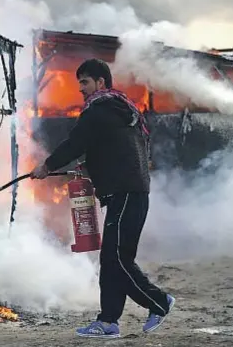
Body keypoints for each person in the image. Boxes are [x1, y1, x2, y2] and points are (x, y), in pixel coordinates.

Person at [30, 58, 175, 338]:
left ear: (100, 82)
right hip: (130, 193)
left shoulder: (99, 110)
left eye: (85, 82)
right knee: (112, 260)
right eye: (80, 83)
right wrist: (91, 166)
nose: (81, 88)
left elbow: (75, 143)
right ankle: (108, 322)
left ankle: (158, 302)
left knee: (117, 259)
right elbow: (112, 148)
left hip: (125, 194)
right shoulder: (121, 108)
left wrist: (47, 166)